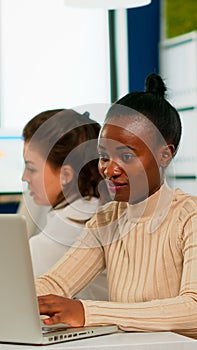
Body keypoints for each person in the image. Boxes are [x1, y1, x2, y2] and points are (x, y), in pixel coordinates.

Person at [36, 73, 197, 339]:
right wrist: (19, 298)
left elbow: (192, 307)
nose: (109, 170)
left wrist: (89, 312)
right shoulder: (107, 220)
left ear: (164, 155)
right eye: (103, 157)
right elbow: (55, 282)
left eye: (125, 156)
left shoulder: (189, 217)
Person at [22, 108, 109, 300]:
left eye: (31, 169)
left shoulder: (61, 234)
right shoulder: (95, 209)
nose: (24, 177)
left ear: (66, 175)